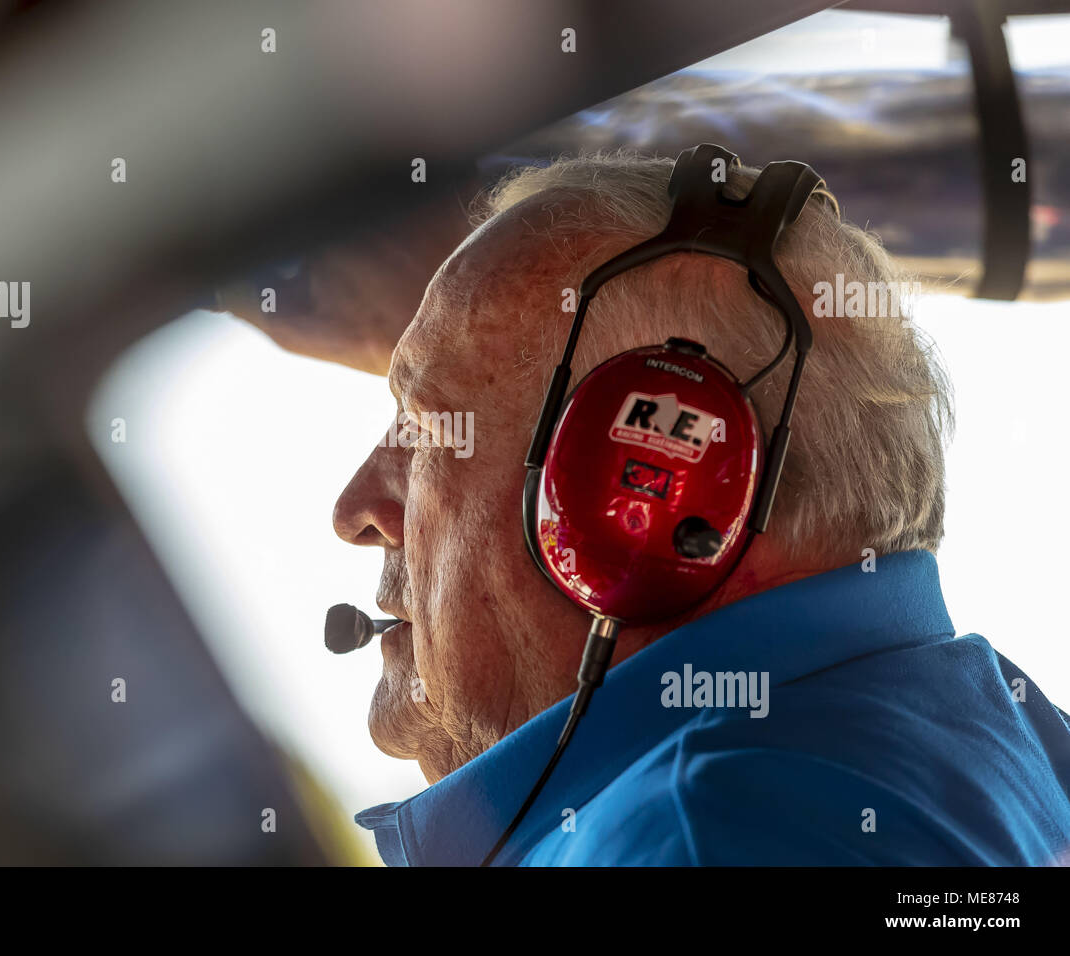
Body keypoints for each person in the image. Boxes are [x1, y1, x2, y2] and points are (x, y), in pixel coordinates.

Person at [329, 150, 1070, 866]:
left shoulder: (690, 833)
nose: (355, 510)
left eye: (426, 429)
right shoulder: (1021, 751)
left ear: (636, 491)